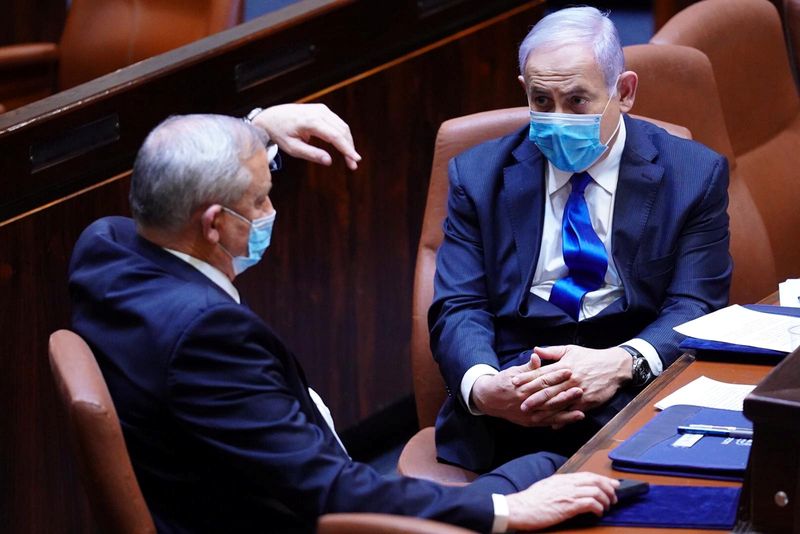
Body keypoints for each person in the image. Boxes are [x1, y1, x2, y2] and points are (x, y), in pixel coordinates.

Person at [68, 105, 620, 533]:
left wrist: (256, 128)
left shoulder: (106, 247)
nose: (269, 212)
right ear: (213, 225)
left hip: (229, 488)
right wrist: (506, 510)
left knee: (560, 465)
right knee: (572, 478)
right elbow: (330, 491)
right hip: (309, 517)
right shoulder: (207, 338)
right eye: (260, 200)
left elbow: (172, 169)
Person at [430, 6, 732, 473]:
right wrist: (484, 385)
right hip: (515, 384)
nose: (556, 119)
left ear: (624, 92)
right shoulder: (477, 175)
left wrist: (620, 363)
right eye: (541, 101)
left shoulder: (692, 174)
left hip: (629, 381)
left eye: (576, 101)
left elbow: (696, 303)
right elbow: (459, 304)